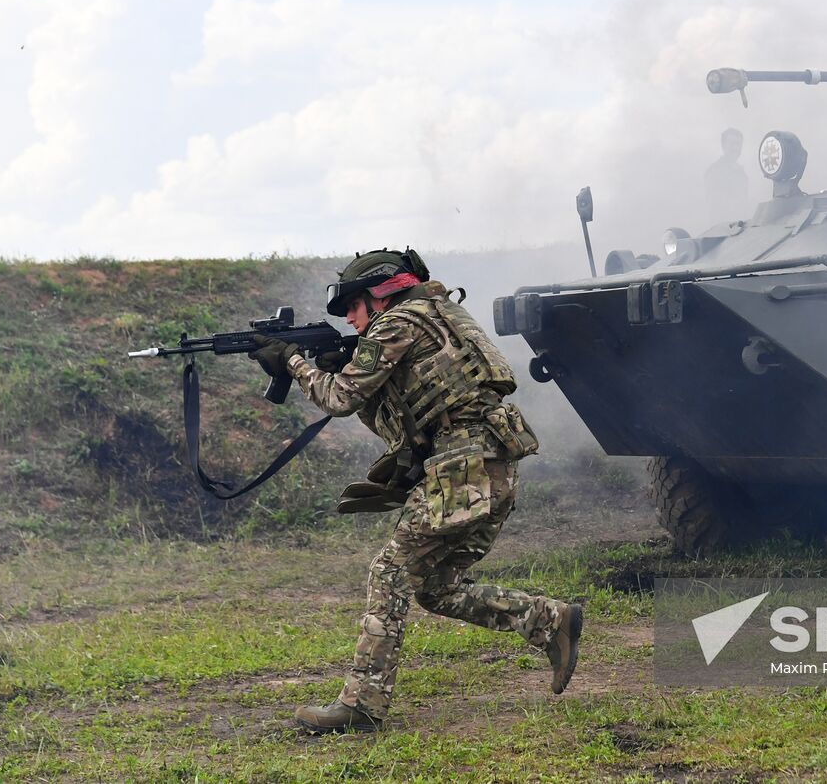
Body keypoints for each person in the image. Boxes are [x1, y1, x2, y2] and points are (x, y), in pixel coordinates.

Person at [248, 248, 582, 734]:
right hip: (487, 465)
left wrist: (294, 362)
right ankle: (550, 621)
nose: (351, 320)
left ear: (380, 293)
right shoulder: (440, 315)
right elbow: (401, 414)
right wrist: (342, 363)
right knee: (433, 586)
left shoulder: (398, 323)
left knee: (389, 573)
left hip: (463, 467)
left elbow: (339, 398)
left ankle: (360, 705)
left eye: (353, 307)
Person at [704, 127, 748, 223]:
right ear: (723, 145)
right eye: (732, 144)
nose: (736, 148)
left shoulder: (741, 173)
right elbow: (715, 208)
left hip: (740, 229)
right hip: (721, 230)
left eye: (738, 144)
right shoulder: (715, 171)